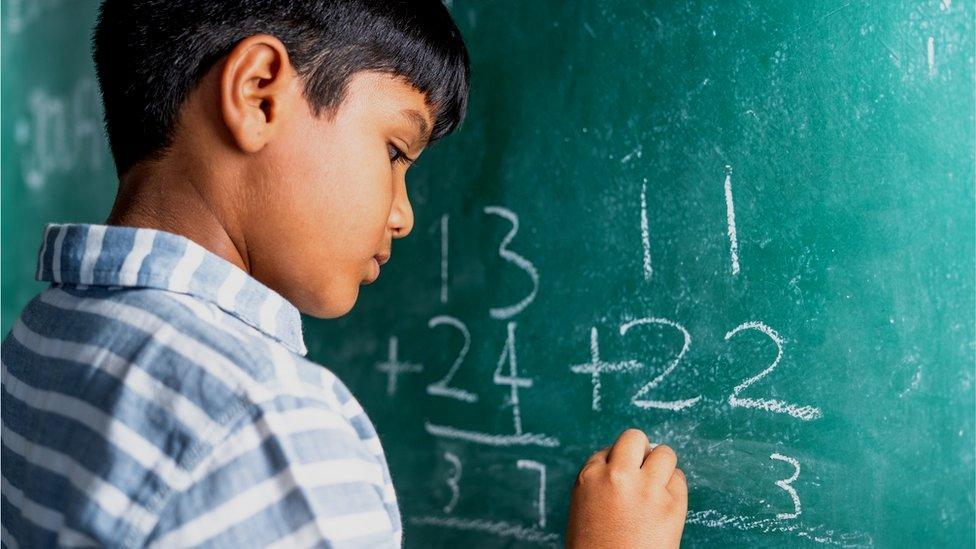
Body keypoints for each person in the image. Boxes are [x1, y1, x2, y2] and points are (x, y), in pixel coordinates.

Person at [0, 1, 687, 546]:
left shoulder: (41, 337)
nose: (404, 215)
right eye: (394, 150)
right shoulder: (269, 424)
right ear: (259, 93)